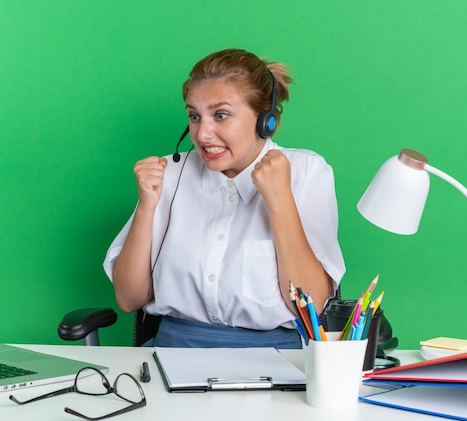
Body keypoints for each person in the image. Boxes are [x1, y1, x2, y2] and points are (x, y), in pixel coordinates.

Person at [103, 48, 345, 348]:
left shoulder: (307, 172)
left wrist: (280, 199)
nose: (203, 134)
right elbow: (129, 299)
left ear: (266, 121)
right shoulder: (169, 174)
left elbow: (310, 304)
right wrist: (147, 206)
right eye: (194, 116)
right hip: (172, 354)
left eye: (221, 115)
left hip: (278, 361)